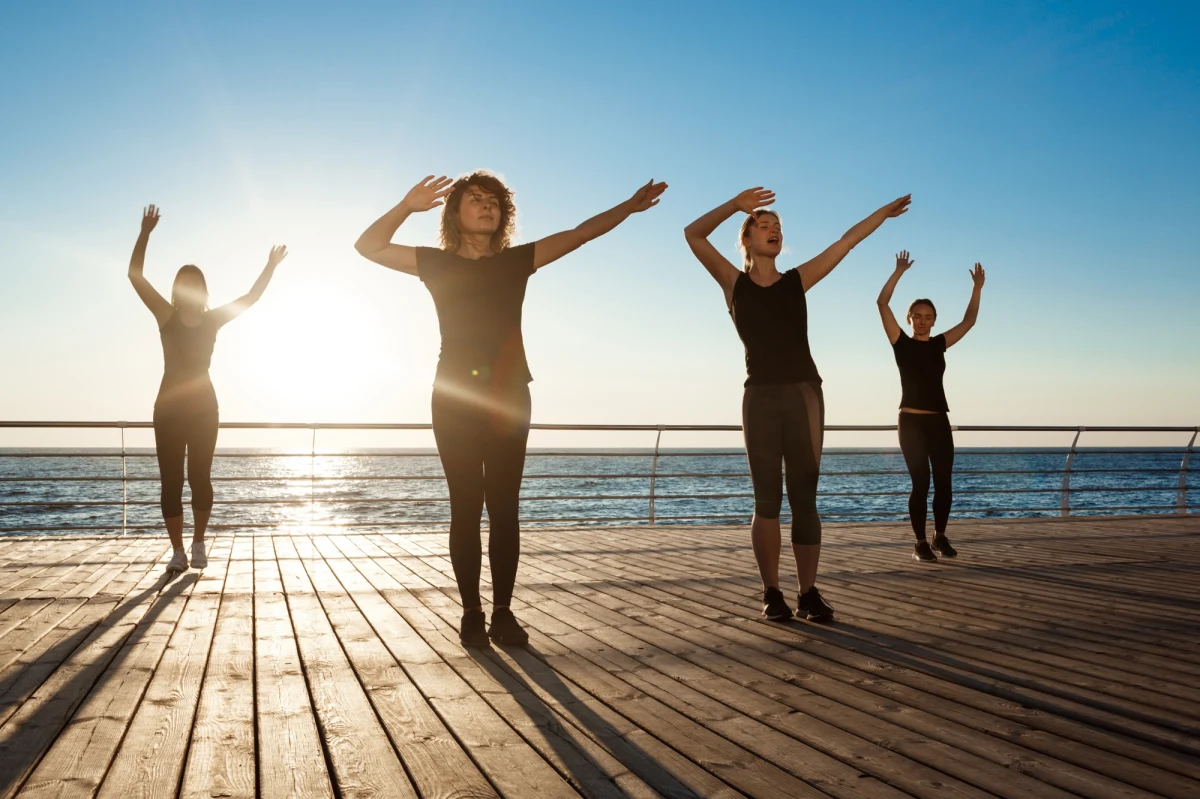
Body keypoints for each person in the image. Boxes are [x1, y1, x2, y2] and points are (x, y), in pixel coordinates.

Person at [355, 172, 667, 647]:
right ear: (454, 213)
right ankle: (471, 613)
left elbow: (581, 233)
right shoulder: (433, 264)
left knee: (503, 507)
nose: (488, 207)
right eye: (476, 200)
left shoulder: (516, 262)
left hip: (508, 394)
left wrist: (627, 205)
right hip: (454, 396)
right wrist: (404, 206)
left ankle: (502, 612)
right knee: (465, 505)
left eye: (495, 201)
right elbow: (368, 246)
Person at [685, 188, 911, 621]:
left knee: (805, 497)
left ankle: (808, 592)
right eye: (764, 225)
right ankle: (772, 591)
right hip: (760, 398)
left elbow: (845, 242)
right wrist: (735, 205)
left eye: (778, 228)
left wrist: (881, 213)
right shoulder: (733, 284)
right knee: (766, 499)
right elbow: (693, 234)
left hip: (805, 393)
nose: (773, 230)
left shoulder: (797, 281)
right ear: (747, 239)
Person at [128, 205, 287, 572]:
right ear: (177, 289)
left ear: (202, 290)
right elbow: (135, 275)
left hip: (204, 409)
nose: (190, 288)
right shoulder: (165, 317)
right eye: (184, 283)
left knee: (200, 477)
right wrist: (145, 233)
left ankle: (199, 543)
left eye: (196, 283)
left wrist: (270, 266)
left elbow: (251, 298)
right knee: (170, 482)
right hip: (168, 410)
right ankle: (178, 552)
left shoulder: (213, 320)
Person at [877, 250, 985, 562]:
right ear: (909, 319)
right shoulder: (901, 343)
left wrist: (976, 288)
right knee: (920, 483)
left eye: (928, 317)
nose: (923, 321)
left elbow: (970, 321)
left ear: (934, 320)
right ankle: (920, 542)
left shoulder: (940, 344)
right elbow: (882, 304)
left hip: (939, 421)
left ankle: (940, 536)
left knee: (944, 482)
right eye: (917, 316)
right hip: (910, 422)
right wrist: (898, 271)